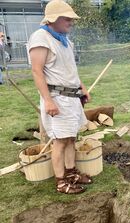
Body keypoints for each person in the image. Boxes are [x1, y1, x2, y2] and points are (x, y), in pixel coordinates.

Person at [28, 0, 92, 194]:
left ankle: (71, 173)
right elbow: (37, 71)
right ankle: (61, 182)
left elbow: (70, 70)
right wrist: (48, 100)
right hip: (57, 97)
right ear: (53, 19)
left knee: (71, 138)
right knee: (60, 141)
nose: (71, 22)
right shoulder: (41, 38)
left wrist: (82, 87)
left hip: (71, 97)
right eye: (67, 18)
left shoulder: (65, 41)